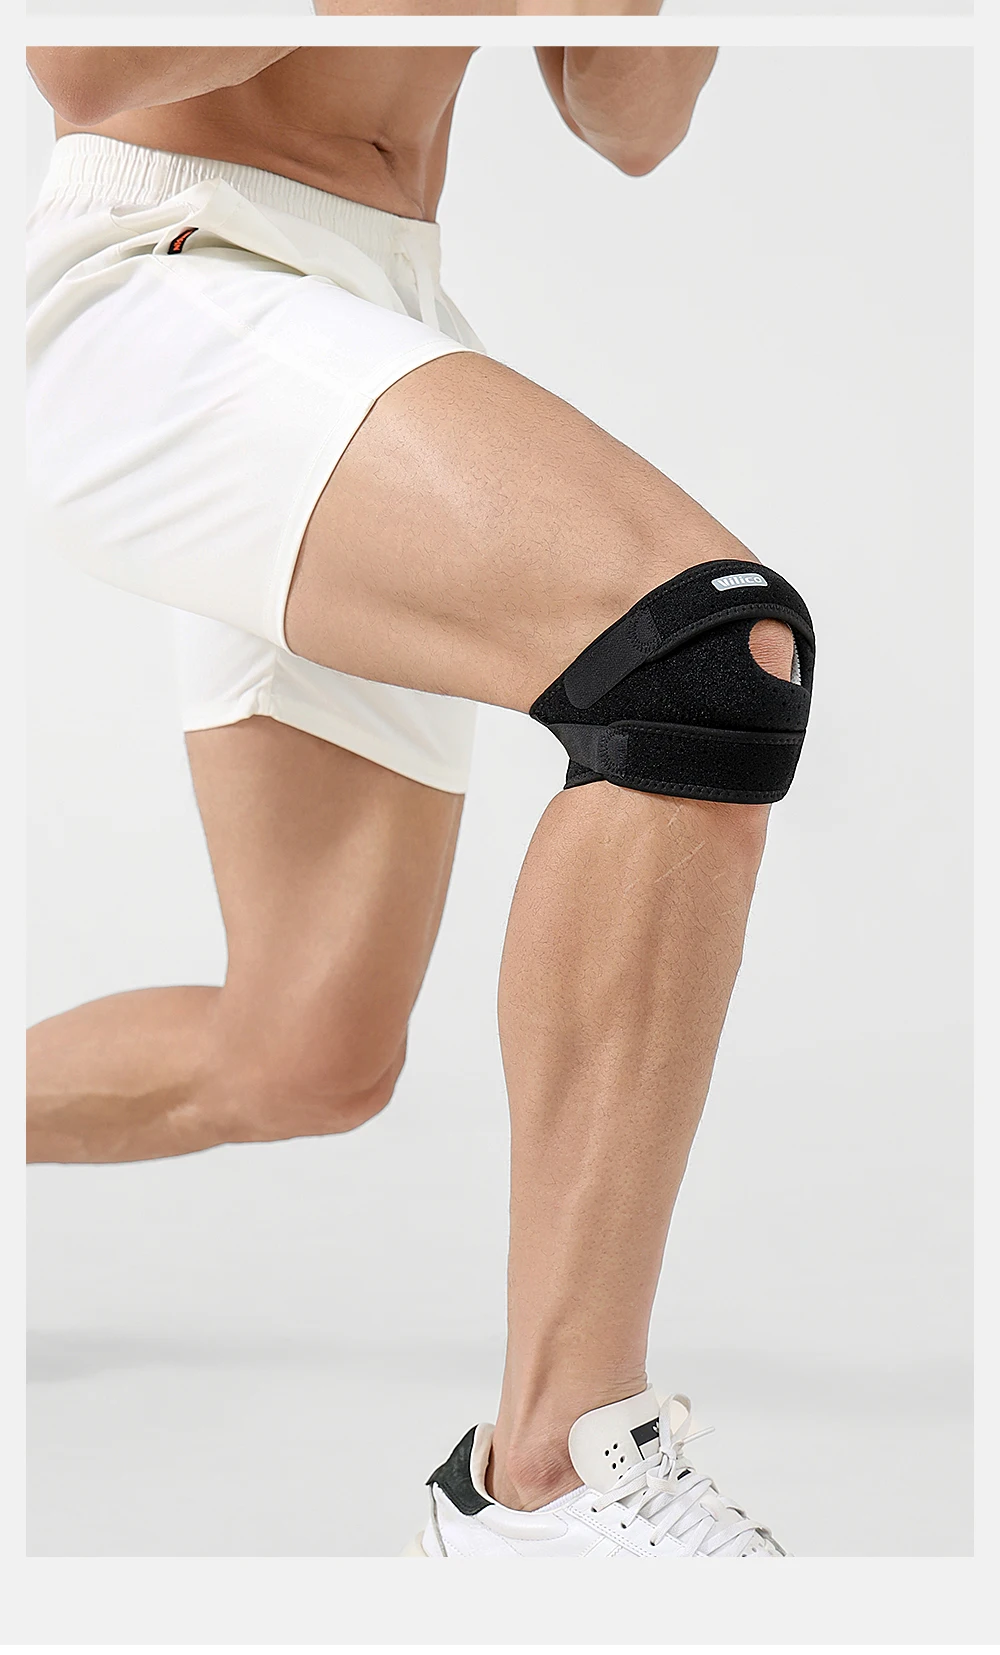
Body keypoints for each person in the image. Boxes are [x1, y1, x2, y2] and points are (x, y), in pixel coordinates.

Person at [26, 45, 813, 1558]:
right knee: (696, 660)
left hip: (367, 313)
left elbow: (631, 123)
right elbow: (82, 62)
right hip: (173, 273)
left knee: (303, 1056)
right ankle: (546, 1489)